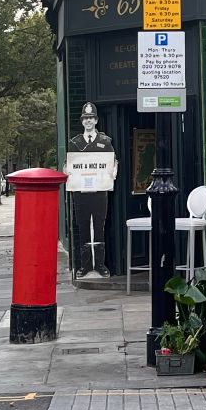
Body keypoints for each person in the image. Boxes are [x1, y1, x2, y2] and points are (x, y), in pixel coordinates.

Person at [65, 102, 118, 278]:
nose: (88, 121)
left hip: (99, 192)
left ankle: (101, 265)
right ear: (82, 121)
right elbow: (69, 166)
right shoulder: (75, 143)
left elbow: (113, 163)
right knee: (83, 228)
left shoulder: (105, 141)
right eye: (85, 118)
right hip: (81, 193)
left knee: (99, 226)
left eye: (91, 118)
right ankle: (85, 265)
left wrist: (113, 173)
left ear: (96, 120)